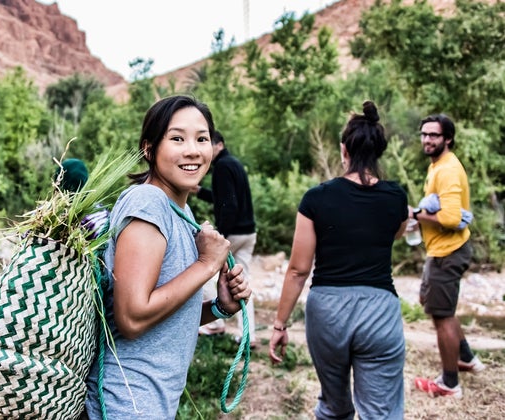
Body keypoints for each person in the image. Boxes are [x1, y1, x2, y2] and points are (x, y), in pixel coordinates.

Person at [84, 95, 252, 418]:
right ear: (149, 149)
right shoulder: (148, 203)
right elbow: (132, 318)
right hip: (128, 403)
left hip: (150, 403)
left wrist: (218, 307)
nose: (193, 150)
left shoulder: (180, 211)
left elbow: (164, 317)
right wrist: (206, 265)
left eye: (201, 139)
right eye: (177, 138)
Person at [269, 101, 408, 419]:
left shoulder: (317, 197)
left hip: (328, 312)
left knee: (334, 406)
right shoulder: (396, 197)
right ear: (379, 151)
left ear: (344, 149)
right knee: (381, 412)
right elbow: (397, 233)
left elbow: (298, 270)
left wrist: (280, 324)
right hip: (380, 310)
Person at [412, 114, 484, 398]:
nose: (427, 139)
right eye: (424, 134)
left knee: (441, 314)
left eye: (434, 135)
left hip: (448, 252)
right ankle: (465, 357)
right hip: (443, 250)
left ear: (448, 139)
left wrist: (416, 214)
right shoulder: (439, 166)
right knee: (433, 302)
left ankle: (449, 383)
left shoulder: (448, 170)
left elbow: (453, 217)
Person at [194, 131, 258, 347]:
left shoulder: (222, 167)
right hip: (248, 232)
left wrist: (221, 235)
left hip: (233, 232)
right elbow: (224, 197)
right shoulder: (234, 163)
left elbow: (228, 206)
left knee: (205, 270)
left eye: (205, 142)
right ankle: (248, 335)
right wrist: (201, 191)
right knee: (241, 283)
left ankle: (214, 324)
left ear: (219, 145)